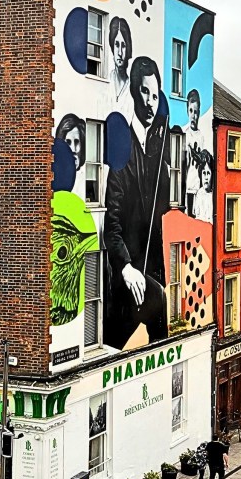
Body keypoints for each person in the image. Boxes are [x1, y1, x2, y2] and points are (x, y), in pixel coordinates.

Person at [103, 56, 170, 350]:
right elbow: (112, 225)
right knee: (113, 343)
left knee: (158, 339)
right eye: (145, 92)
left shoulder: (158, 151)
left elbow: (164, 213)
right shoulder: (123, 149)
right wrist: (126, 267)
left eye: (155, 95)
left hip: (152, 271)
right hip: (128, 277)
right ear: (133, 91)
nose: (151, 102)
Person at [183, 89, 204, 215]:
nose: (193, 115)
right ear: (187, 111)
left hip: (198, 185)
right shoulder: (185, 134)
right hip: (188, 185)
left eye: (196, 112)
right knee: (189, 214)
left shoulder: (201, 136)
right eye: (191, 111)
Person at [108, 16, 133, 119]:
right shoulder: (107, 81)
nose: (120, 53)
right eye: (117, 45)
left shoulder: (132, 89)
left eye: (123, 46)